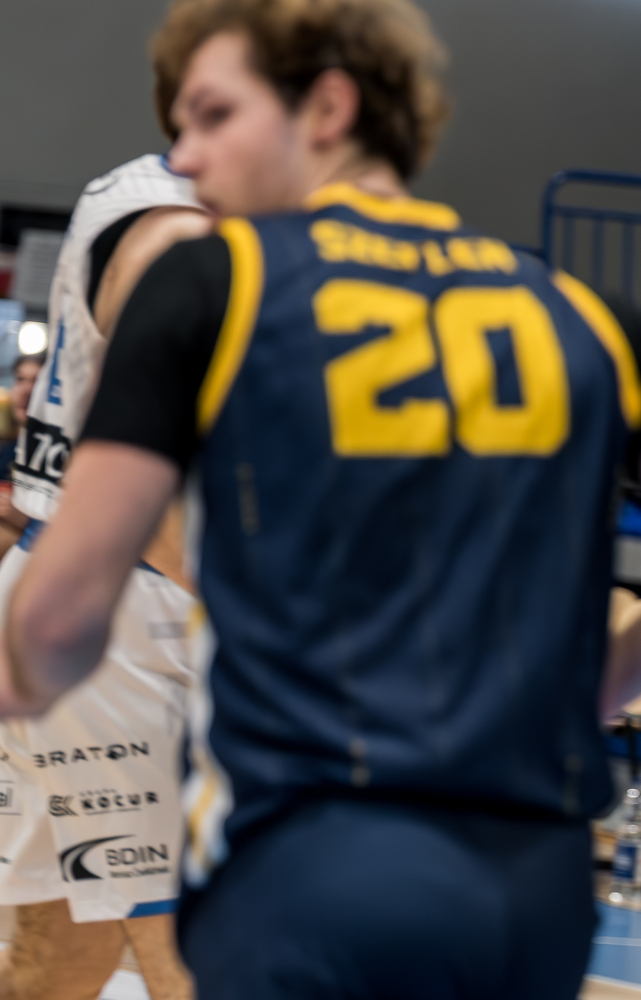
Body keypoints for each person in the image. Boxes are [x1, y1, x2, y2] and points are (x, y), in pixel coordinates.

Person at [1, 3, 641, 996]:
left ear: (328, 109)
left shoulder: (214, 281)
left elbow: (57, 620)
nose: (184, 156)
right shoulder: (566, 304)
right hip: (527, 882)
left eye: (211, 116)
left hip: (308, 845)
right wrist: (617, 673)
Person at [0, 153, 213, 1000]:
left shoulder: (138, 193)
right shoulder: (180, 225)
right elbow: (141, 464)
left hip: (75, 592)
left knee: (63, 956)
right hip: (133, 604)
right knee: (200, 952)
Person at [0, 353, 43, 553]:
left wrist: (28, 520)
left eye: (37, 381)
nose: (26, 390)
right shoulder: (10, 450)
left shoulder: (70, 456)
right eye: (20, 379)